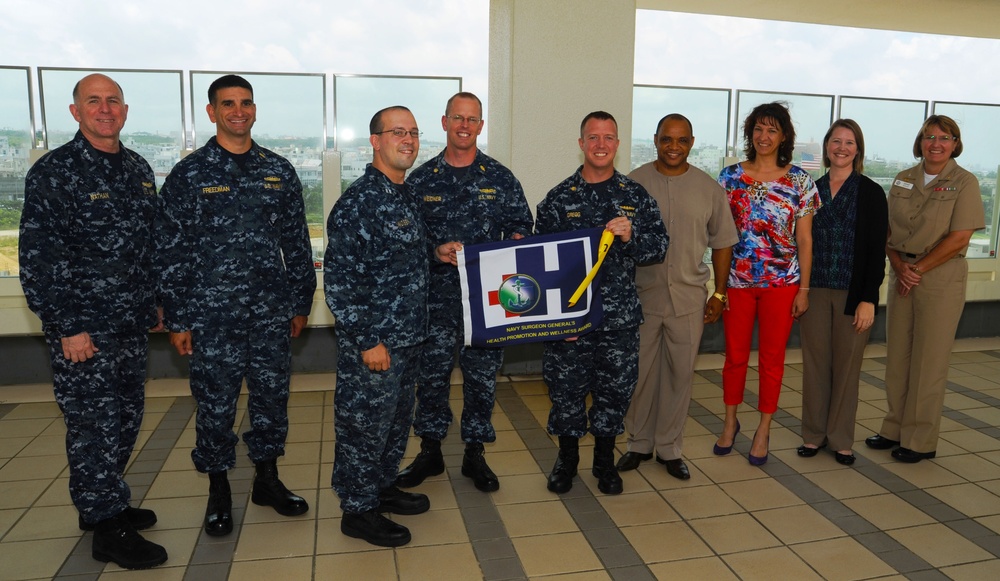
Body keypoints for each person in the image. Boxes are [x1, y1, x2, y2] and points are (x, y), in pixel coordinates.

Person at [156, 75, 316, 537]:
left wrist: (300, 300)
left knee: (271, 400)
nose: (238, 111)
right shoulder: (191, 174)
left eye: (245, 103)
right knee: (215, 406)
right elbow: (171, 249)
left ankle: (267, 479)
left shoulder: (279, 170)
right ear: (212, 112)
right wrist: (179, 317)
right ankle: (219, 489)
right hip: (212, 317)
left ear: (254, 109)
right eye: (227, 104)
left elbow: (296, 241)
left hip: (270, 313)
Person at [19, 73, 167, 569]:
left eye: (113, 101)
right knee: (93, 426)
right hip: (85, 330)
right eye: (93, 101)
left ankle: (104, 500)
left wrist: (157, 303)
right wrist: (67, 325)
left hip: (128, 325)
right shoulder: (55, 173)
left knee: (124, 420)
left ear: (124, 110)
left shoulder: (138, 169)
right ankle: (106, 526)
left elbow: (148, 247)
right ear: (75, 111)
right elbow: (40, 259)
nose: (105, 109)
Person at [397, 92, 533, 492]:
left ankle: (475, 452)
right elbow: (404, 242)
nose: (465, 126)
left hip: (488, 304)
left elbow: (522, 228)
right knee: (432, 378)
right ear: (444, 122)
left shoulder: (501, 179)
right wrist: (433, 251)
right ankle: (430, 451)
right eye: (458, 118)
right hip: (435, 303)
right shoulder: (420, 181)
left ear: (480, 126)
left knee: (482, 380)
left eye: (473, 120)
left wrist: (512, 242)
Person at [535, 111, 668, 495]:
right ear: (580, 144)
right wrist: (559, 322)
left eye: (608, 137)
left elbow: (658, 247)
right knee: (566, 391)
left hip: (618, 319)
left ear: (618, 145)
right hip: (570, 319)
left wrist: (632, 236)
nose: (600, 145)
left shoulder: (634, 197)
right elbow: (540, 264)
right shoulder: (559, 199)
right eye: (593, 137)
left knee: (614, 391)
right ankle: (568, 459)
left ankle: (605, 461)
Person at [325, 106, 436, 547]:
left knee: (393, 423)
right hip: (375, 343)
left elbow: (399, 259)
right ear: (375, 140)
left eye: (412, 132)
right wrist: (368, 340)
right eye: (397, 132)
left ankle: (382, 486)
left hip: (409, 338)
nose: (407, 140)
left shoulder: (404, 193)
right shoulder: (359, 203)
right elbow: (339, 282)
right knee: (364, 426)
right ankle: (358, 509)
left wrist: (437, 252)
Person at [621, 114, 737, 480]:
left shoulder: (709, 189)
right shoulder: (633, 184)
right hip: (642, 299)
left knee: (679, 377)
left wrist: (719, 292)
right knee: (638, 376)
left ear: (691, 142)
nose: (674, 146)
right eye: (667, 139)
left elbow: (722, 244)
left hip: (688, 300)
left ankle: (670, 448)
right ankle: (638, 442)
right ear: (655, 140)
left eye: (682, 140)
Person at [866, 115, 985, 463]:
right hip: (903, 271)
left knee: (928, 361)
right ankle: (894, 427)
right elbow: (885, 232)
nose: (936, 143)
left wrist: (916, 269)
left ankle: (920, 439)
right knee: (898, 355)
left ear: (955, 144)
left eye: (945, 137)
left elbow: (961, 236)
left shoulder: (965, 182)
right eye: (929, 136)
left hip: (940, 277)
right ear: (920, 142)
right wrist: (901, 266)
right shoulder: (904, 179)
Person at [714, 102, 819, 466]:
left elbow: (805, 240)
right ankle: (730, 423)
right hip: (737, 282)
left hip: (782, 283)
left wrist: (804, 289)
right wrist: (718, 286)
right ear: (750, 133)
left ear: (784, 136)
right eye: (758, 129)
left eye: (772, 130)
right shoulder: (728, 178)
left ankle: (764, 428)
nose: (764, 137)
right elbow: (719, 235)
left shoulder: (799, 181)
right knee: (735, 358)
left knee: (772, 360)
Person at [798, 120, 887, 466]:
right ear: (826, 147)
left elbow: (876, 250)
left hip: (854, 295)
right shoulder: (811, 189)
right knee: (815, 365)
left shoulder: (871, 192)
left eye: (849, 142)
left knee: (847, 369)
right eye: (836, 141)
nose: (842, 147)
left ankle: (841, 439)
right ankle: (813, 435)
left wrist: (869, 299)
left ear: (858, 150)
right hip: (815, 290)